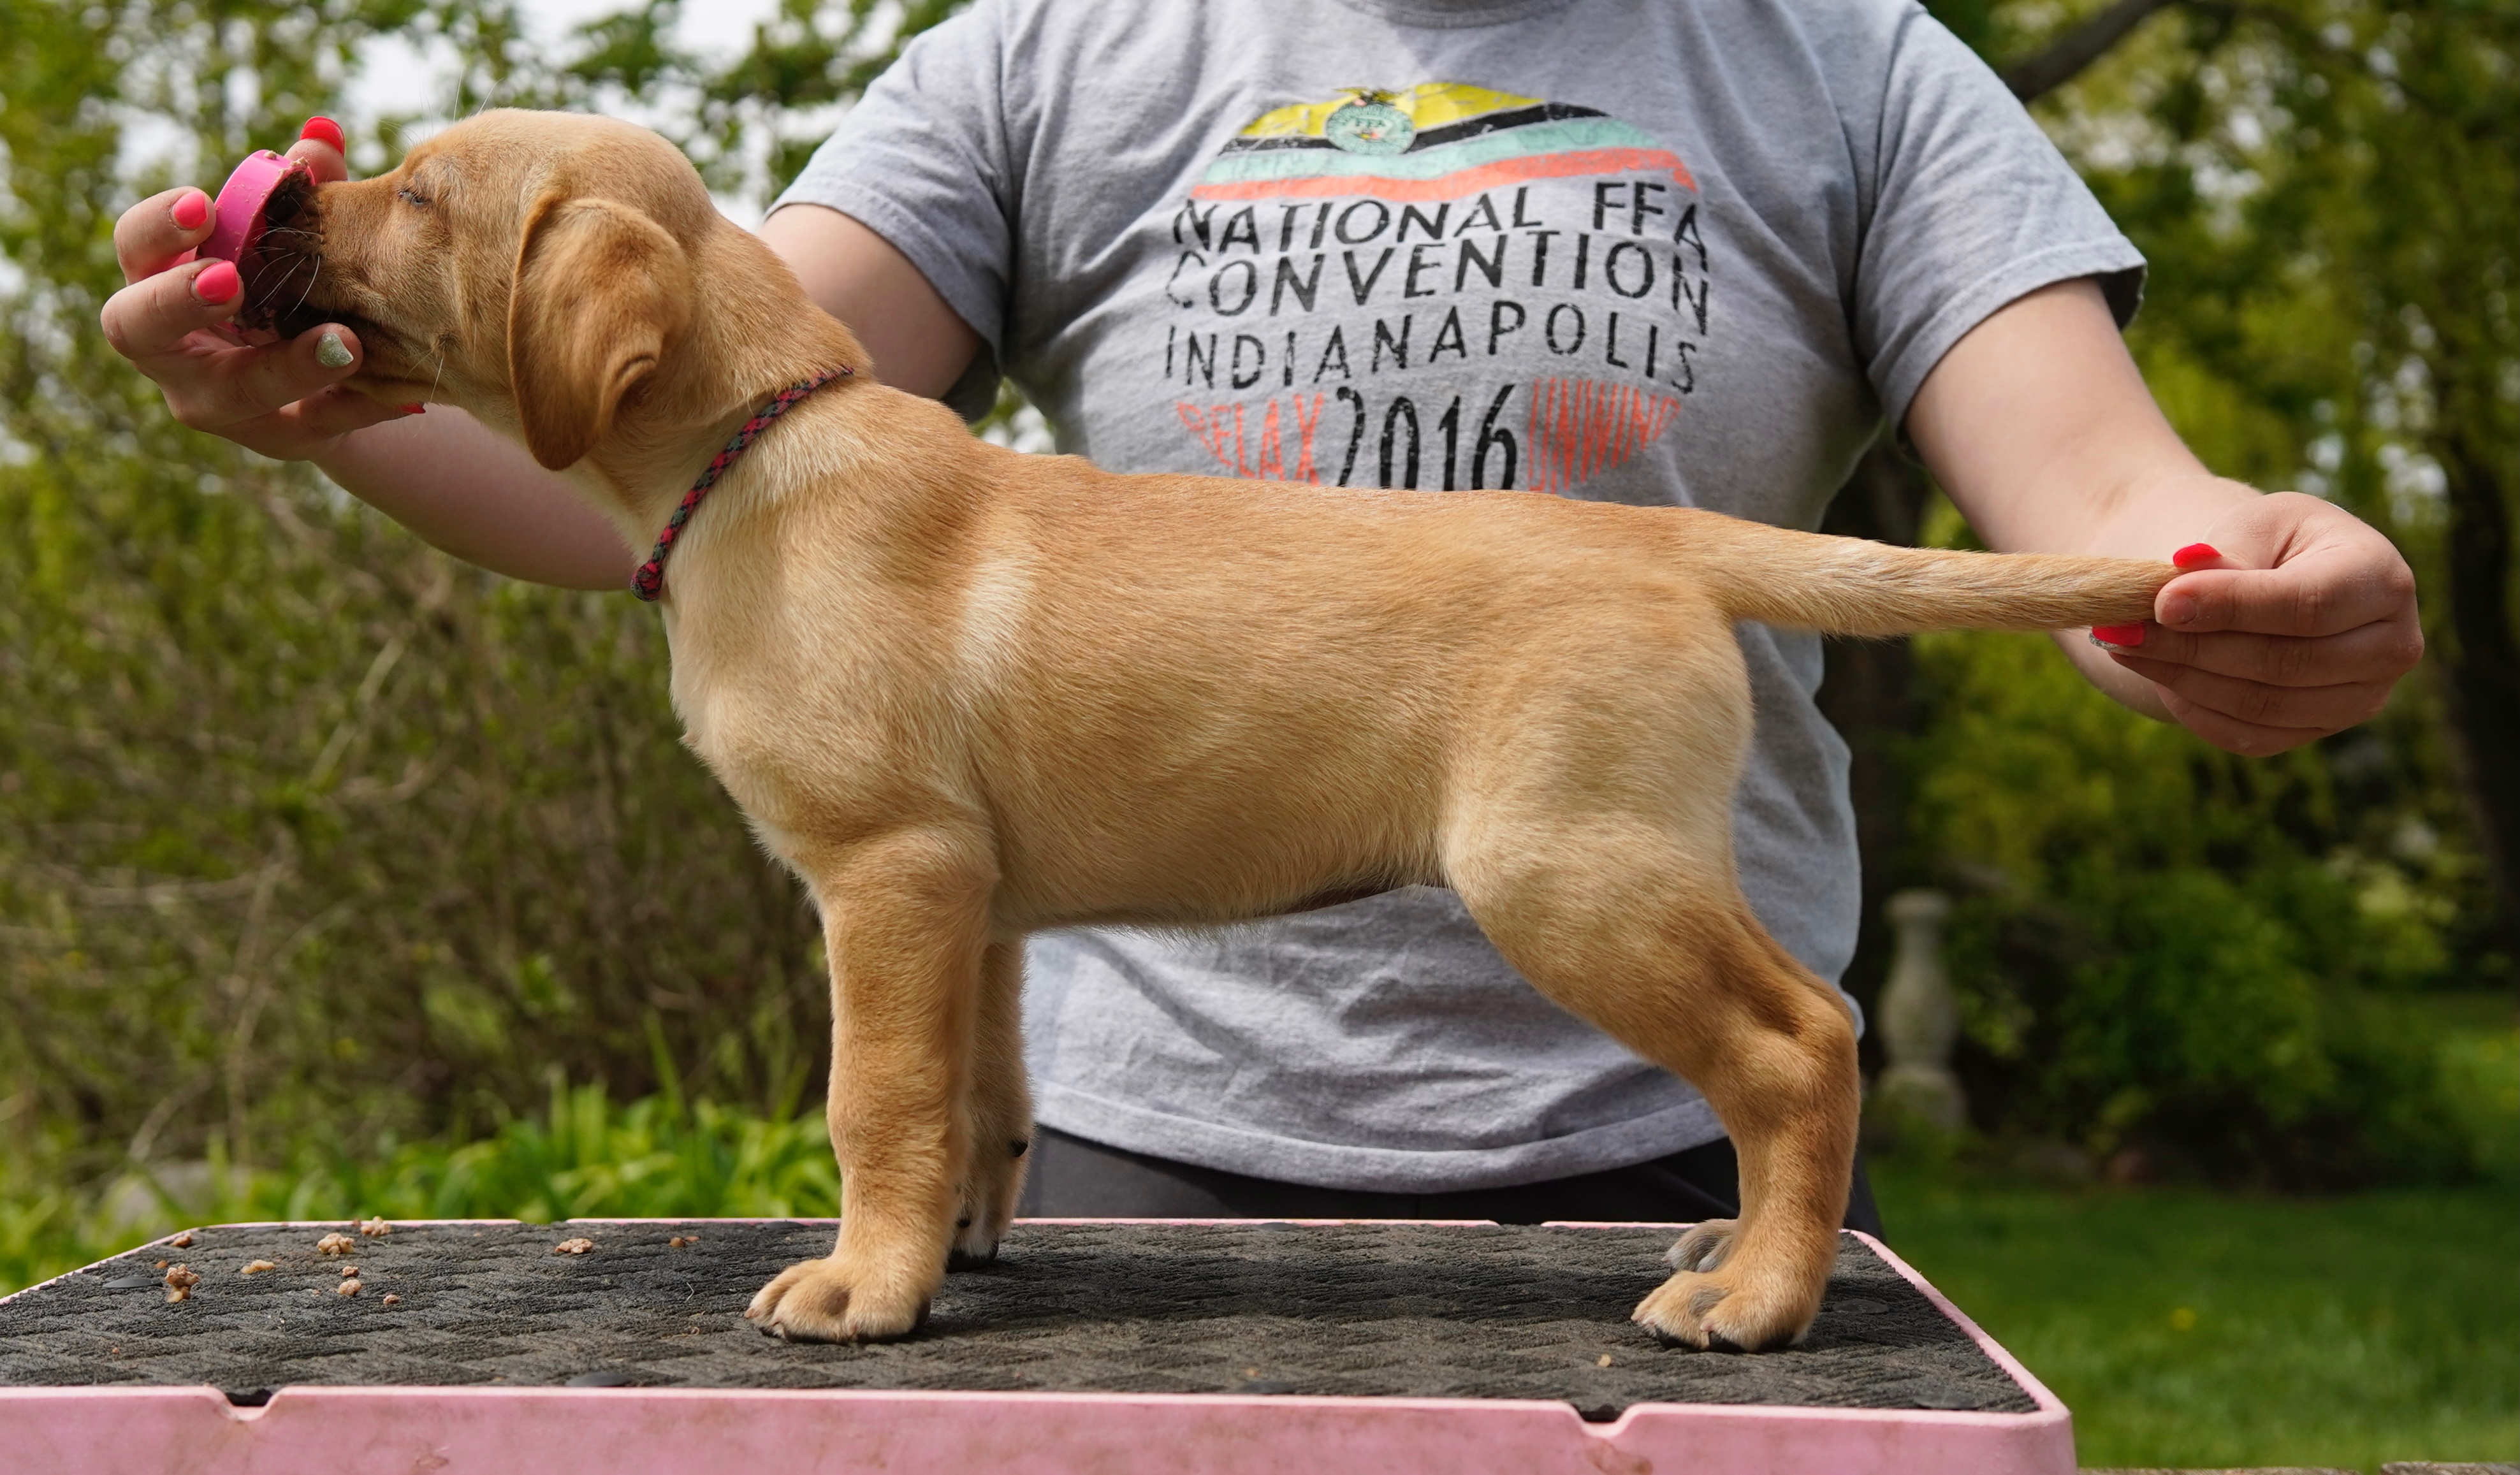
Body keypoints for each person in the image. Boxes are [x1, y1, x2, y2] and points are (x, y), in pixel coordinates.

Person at [103, 0, 2421, 1237]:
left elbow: (2108, 491)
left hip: (1634, 1137)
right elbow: (669, 427)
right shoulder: (1045, 53)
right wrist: (316, 407)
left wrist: (2219, 571)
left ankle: (1772, 1138)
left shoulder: (1849, 56)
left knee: (1612, 930)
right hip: (1157, 1158)